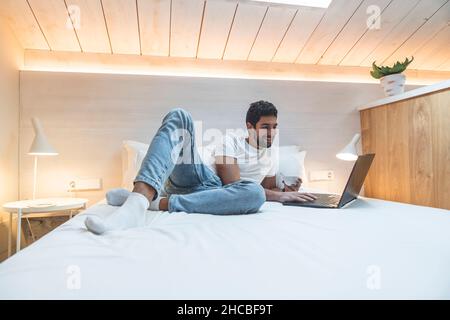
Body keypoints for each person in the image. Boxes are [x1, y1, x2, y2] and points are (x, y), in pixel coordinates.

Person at [85, 101, 316, 234]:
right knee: (179, 116)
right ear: (250, 126)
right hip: (198, 181)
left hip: (219, 198)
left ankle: (148, 202)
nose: (272, 133)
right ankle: (138, 201)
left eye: (275, 127)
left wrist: (287, 192)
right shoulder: (231, 142)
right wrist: (276, 195)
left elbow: (263, 188)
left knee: (254, 193)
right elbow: (232, 185)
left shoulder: (271, 154)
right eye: (266, 127)